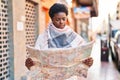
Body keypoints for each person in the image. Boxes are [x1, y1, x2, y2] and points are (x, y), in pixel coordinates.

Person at [25, 3, 93, 79]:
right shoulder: (43, 38)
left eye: (64, 19)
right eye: (58, 19)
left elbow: (83, 60)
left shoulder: (74, 37)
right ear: (52, 19)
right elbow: (36, 64)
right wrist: (30, 64)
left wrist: (88, 62)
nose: (61, 22)